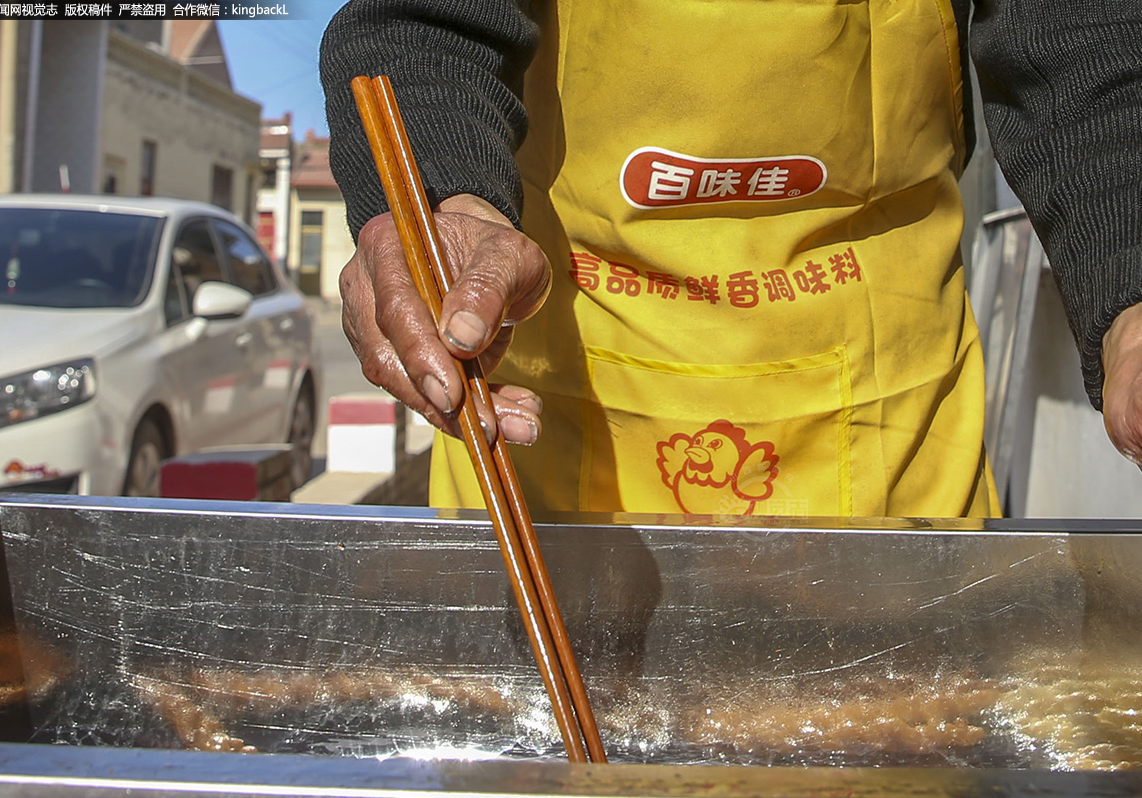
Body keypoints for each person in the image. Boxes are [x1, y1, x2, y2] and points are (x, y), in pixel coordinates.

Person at [320, 0, 1142, 518]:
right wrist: (442, 207)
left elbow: (1079, 33)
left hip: (896, 432)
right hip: (553, 420)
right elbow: (420, 22)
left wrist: (1132, 286)